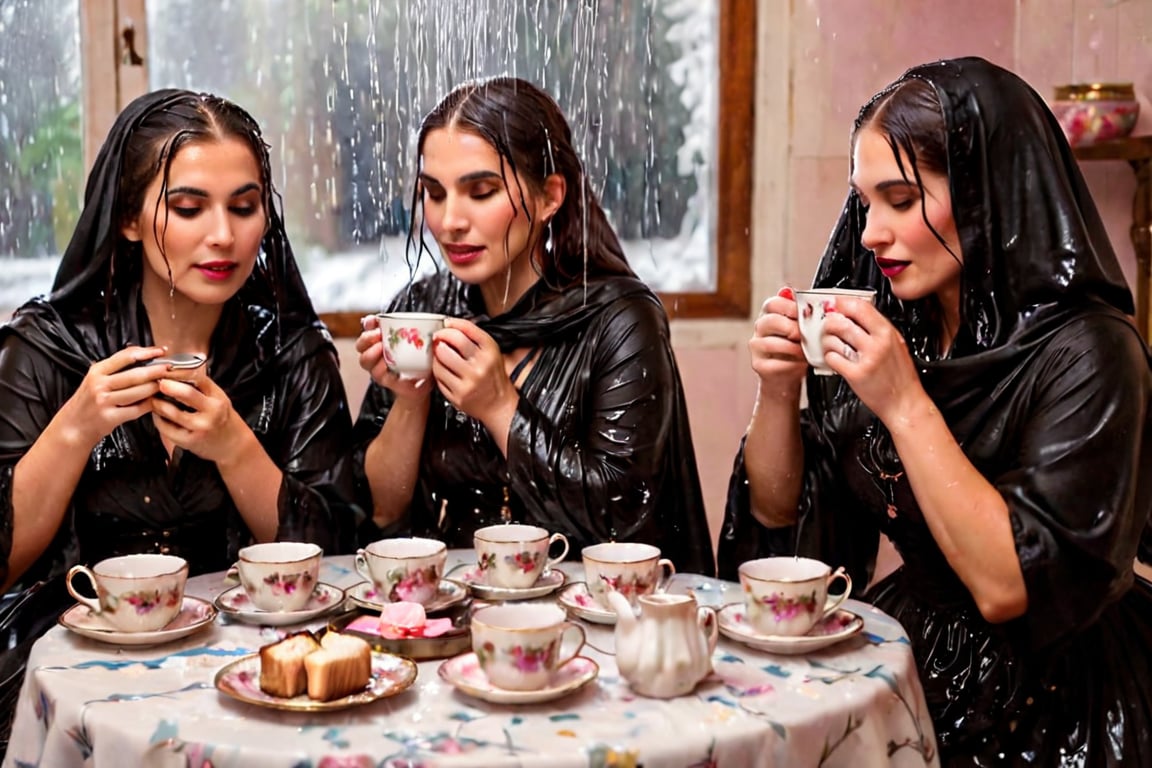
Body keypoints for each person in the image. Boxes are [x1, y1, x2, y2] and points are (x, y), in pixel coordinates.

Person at [719, 57, 1152, 765]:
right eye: (865, 203)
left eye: (900, 199)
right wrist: (778, 391)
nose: (869, 235)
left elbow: (1011, 587)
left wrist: (904, 404)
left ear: (989, 193)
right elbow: (786, 520)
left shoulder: (1093, 353)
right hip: (913, 650)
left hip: (1063, 702)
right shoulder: (906, 326)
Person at [0, 90, 360, 746]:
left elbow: (340, 559)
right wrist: (76, 427)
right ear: (129, 219)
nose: (222, 235)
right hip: (60, 663)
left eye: (244, 208)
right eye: (188, 208)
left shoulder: (292, 352)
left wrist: (235, 448)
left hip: (251, 665)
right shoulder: (47, 347)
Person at [353, 76, 714, 575]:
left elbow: (623, 518)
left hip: (588, 618)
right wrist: (412, 396)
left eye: (480, 192)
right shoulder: (422, 306)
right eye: (434, 193)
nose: (450, 220)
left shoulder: (620, 320)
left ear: (550, 197)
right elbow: (379, 512)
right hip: (452, 610)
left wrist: (501, 409)